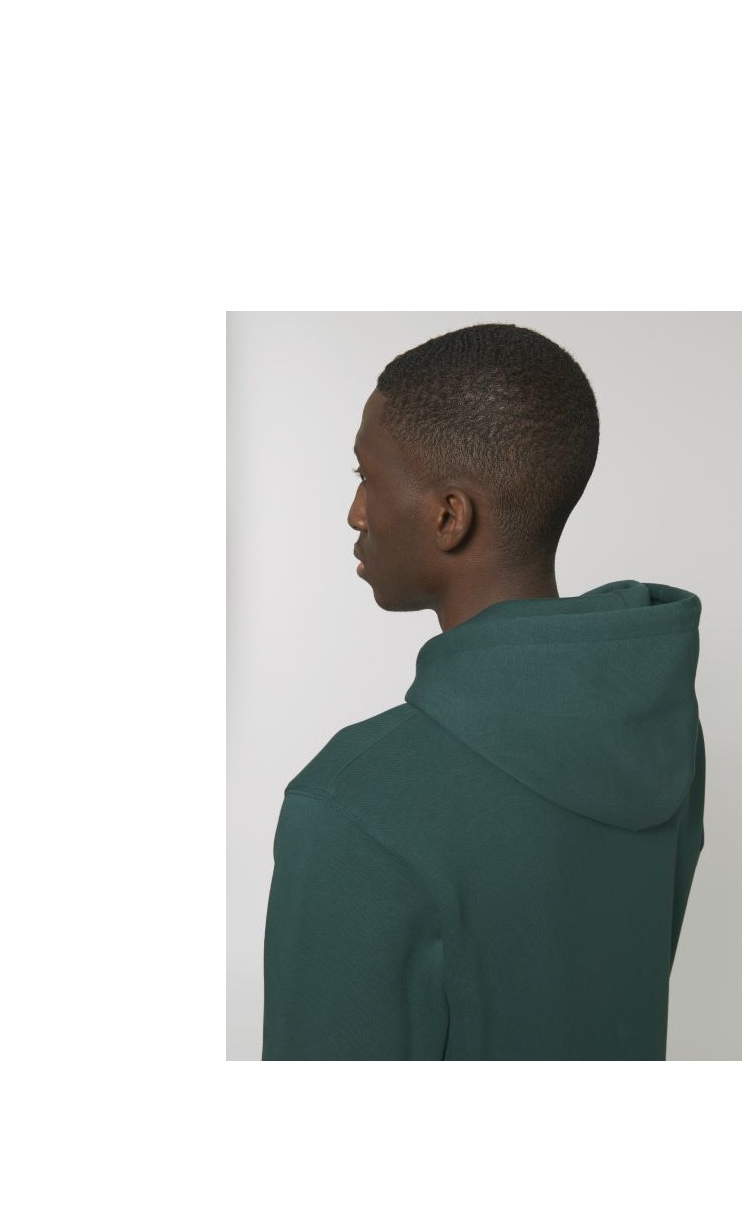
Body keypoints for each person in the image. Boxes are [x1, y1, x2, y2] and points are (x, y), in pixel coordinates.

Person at [261, 322, 706, 1060]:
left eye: (366, 477)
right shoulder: (660, 733)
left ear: (448, 516)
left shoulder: (353, 802)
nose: (356, 512)